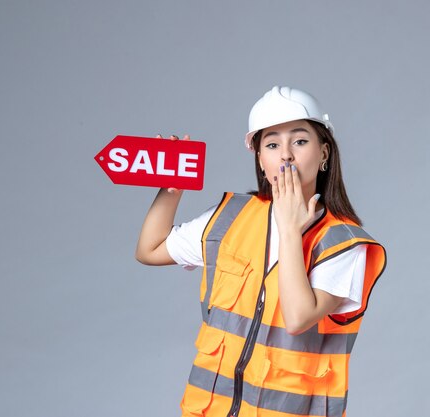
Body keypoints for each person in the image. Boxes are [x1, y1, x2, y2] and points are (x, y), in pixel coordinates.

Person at [136, 86, 387, 417]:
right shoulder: (229, 218)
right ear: (259, 157)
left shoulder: (343, 243)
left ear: (324, 153)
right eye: (271, 144)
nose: (285, 155)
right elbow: (150, 249)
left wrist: (289, 230)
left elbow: (298, 317)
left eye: (299, 141)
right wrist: (171, 188)